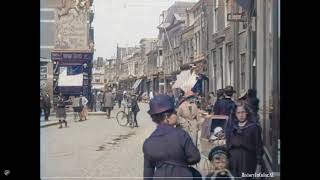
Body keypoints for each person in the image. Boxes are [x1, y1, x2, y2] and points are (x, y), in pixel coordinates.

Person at [143, 95, 201, 180]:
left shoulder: (148, 143)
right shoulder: (181, 135)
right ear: (166, 117)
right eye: (174, 112)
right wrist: (180, 160)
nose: (176, 114)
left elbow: (148, 173)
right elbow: (195, 157)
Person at [226, 102, 263, 178]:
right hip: (234, 160)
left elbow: (259, 146)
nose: (241, 115)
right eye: (238, 113)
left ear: (247, 113)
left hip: (248, 161)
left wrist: (259, 166)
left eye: (243, 112)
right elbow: (228, 144)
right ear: (235, 114)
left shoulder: (253, 127)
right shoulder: (232, 127)